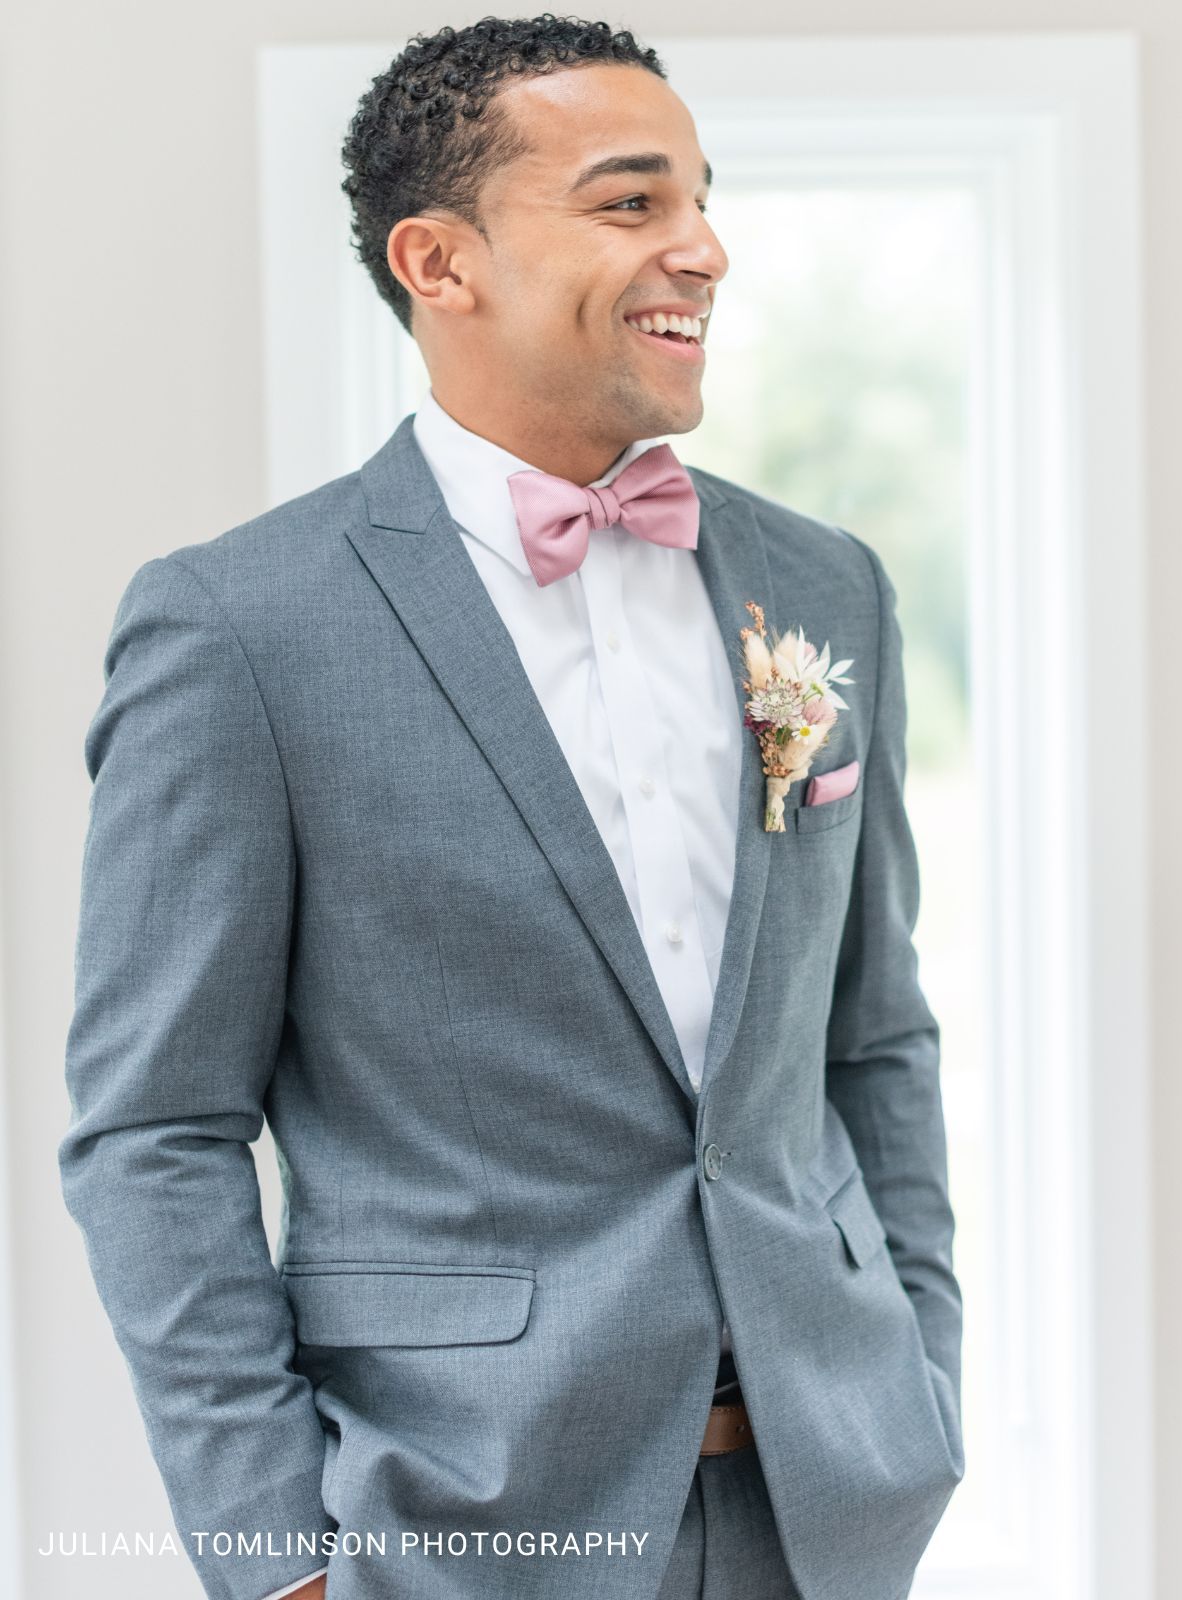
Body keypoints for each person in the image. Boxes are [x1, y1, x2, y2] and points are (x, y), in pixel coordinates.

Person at [58, 15, 965, 1600]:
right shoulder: (239, 628)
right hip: (455, 1531)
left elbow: (869, 1037)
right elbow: (155, 1129)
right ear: (439, 259)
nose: (702, 249)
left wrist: (920, 1386)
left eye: (698, 198)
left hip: (829, 1509)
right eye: (629, 204)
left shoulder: (827, 590)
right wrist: (279, 1557)